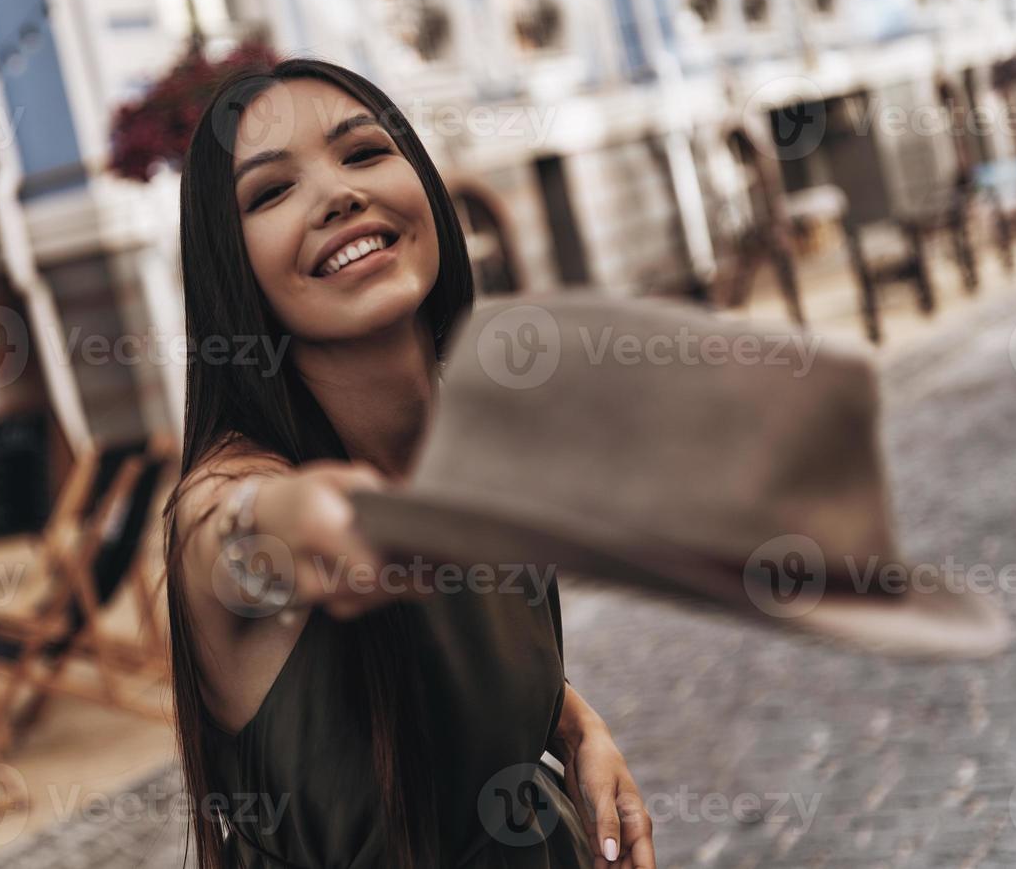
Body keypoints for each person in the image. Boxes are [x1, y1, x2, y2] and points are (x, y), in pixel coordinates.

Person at [161, 58, 655, 868]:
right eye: (271, 192)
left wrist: (573, 726)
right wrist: (310, 521)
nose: (337, 194)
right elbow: (242, 533)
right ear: (229, 268)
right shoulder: (224, 498)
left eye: (362, 153)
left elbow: (463, 683)